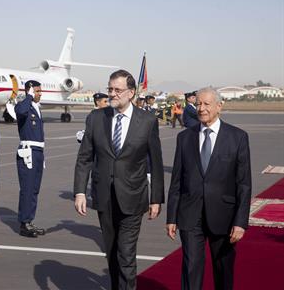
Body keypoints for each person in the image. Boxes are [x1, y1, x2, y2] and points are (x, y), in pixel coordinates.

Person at [74, 69, 164, 290]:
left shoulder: (147, 121)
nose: (112, 94)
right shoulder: (96, 118)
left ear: (131, 93)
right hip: (104, 196)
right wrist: (80, 192)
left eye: (117, 90)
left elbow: (156, 161)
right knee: (112, 252)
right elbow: (85, 157)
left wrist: (156, 199)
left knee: (126, 254)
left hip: (133, 197)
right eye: (110, 89)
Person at [166, 87, 251, 290]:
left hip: (224, 217)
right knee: (191, 267)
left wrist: (240, 222)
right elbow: (177, 181)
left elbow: (244, 184)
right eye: (198, 104)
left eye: (206, 104)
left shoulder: (237, 137)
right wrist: (172, 217)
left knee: (223, 269)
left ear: (219, 106)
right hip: (190, 214)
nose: (201, 109)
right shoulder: (184, 138)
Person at [14, 80, 46, 238]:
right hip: (28, 152)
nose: (40, 94)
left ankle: (29, 220)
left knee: (34, 189)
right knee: (27, 189)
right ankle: (24, 224)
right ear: (30, 91)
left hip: (38, 151)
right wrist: (29, 97)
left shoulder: (36, 108)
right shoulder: (23, 106)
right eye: (38, 91)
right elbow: (19, 112)